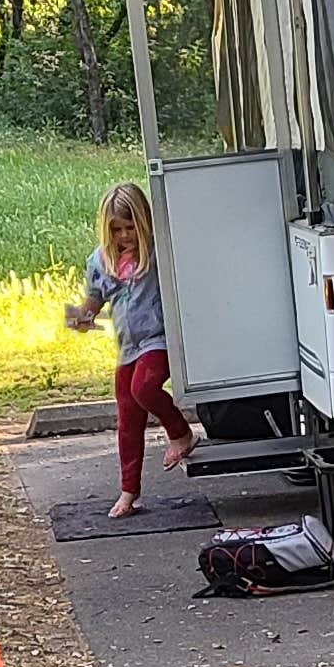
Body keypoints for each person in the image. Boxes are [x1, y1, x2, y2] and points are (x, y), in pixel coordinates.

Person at [66, 179, 195, 517]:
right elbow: (95, 298)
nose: (125, 236)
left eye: (130, 227)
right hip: (129, 345)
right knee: (127, 414)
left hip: (158, 338)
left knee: (144, 388)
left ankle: (180, 433)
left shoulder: (155, 252)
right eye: (117, 229)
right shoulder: (101, 260)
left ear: (144, 223)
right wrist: (83, 316)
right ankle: (128, 490)